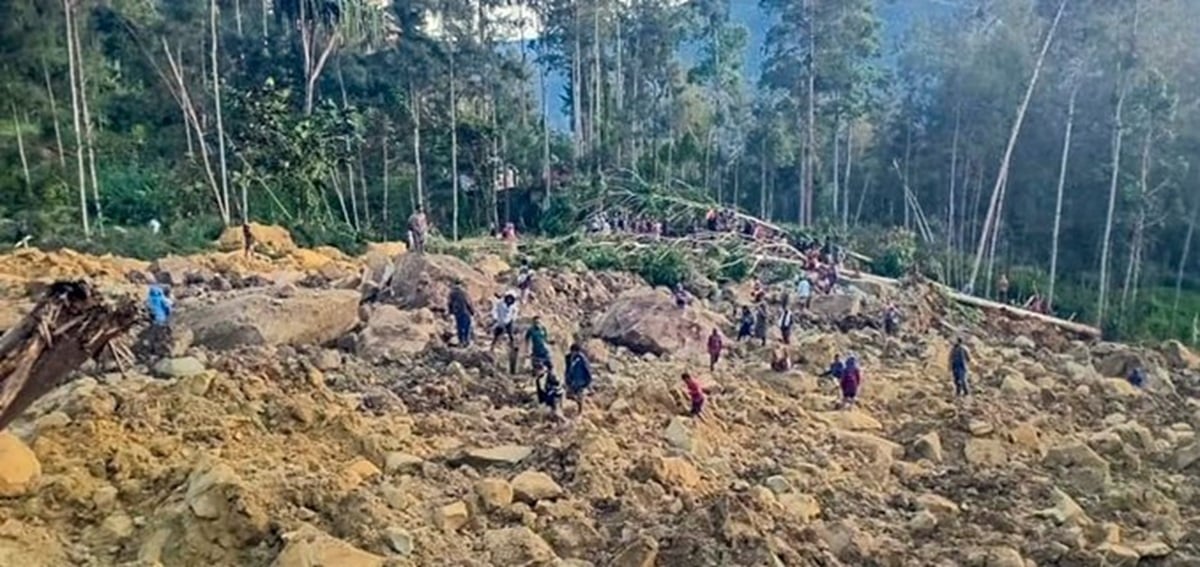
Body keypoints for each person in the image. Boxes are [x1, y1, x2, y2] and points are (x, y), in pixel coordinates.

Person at [565, 343, 593, 416]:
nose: (572, 353)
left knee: (579, 396)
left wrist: (588, 381)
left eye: (574, 352)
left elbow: (588, 369)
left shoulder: (582, 359)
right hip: (572, 381)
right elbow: (568, 369)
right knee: (569, 395)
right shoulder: (569, 358)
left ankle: (580, 411)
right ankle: (575, 408)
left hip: (580, 381)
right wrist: (567, 379)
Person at [447, 279, 476, 347]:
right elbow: (468, 302)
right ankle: (466, 341)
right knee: (467, 326)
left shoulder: (451, 293)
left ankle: (461, 341)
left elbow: (449, 303)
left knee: (459, 326)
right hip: (465, 312)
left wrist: (450, 312)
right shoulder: (464, 292)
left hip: (457, 312)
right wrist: (472, 311)